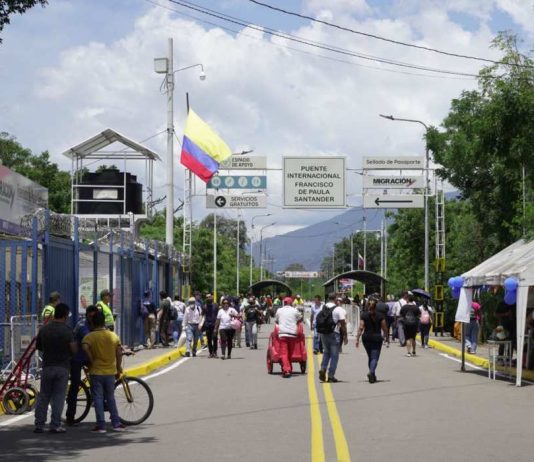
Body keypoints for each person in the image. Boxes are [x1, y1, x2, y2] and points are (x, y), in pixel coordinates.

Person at [34, 303, 77, 434]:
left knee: (44, 395)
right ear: (65, 315)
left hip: (47, 366)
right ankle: (55, 424)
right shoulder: (67, 331)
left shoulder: (44, 329)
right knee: (59, 397)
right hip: (62, 367)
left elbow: (39, 346)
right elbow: (74, 349)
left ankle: (39, 424)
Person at [82, 310, 125, 433]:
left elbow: (85, 347)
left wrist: (91, 359)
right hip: (110, 371)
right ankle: (116, 423)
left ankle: (101, 425)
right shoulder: (112, 335)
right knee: (110, 397)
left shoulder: (89, 336)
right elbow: (119, 353)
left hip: (96, 371)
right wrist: (118, 367)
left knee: (98, 398)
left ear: (93, 322)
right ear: (104, 322)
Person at [65, 304, 98, 425]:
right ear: (87, 315)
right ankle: (70, 416)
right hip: (77, 357)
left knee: (97, 379)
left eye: (94, 316)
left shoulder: (96, 324)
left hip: (89, 356)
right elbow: (83, 338)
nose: (92, 318)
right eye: (90, 316)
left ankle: (97, 401)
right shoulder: (82, 325)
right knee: (74, 385)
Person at [356, 298, 389, 383]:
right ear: (376, 306)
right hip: (377, 338)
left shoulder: (364, 314)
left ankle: (373, 375)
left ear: (367, 305)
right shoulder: (380, 315)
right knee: (375, 358)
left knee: (370, 357)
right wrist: (387, 338)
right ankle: (371, 372)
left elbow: (361, 327)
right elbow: (384, 328)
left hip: (366, 338)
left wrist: (357, 338)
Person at [317, 293, 348, 383]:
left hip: (323, 333)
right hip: (334, 334)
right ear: (335, 299)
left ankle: (323, 368)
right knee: (334, 356)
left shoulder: (323, 307)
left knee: (326, 352)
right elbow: (343, 323)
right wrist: (345, 336)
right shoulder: (338, 309)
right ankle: (331, 376)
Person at [275, 296, 303, 378]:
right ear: (291, 303)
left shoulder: (279, 310)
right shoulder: (295, 310)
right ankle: (288, 368)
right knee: (290, 353)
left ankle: (286, 370)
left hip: (283, 334)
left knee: (284, 353)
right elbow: (300, 318)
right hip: (292, 334)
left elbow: (276, 320)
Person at [203, 293, 219, 358]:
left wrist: (218, 324)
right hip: (207, 325)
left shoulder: (216, 305)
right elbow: (202, 315)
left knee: (215, 338)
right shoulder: (204, 306)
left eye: (209, 297)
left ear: (212, 297)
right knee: (209, 339)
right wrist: (200, 324)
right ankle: (210, 352)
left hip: (215, 325)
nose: (208, 298)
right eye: (207, 297)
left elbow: (218, 315)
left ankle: (215, 352)